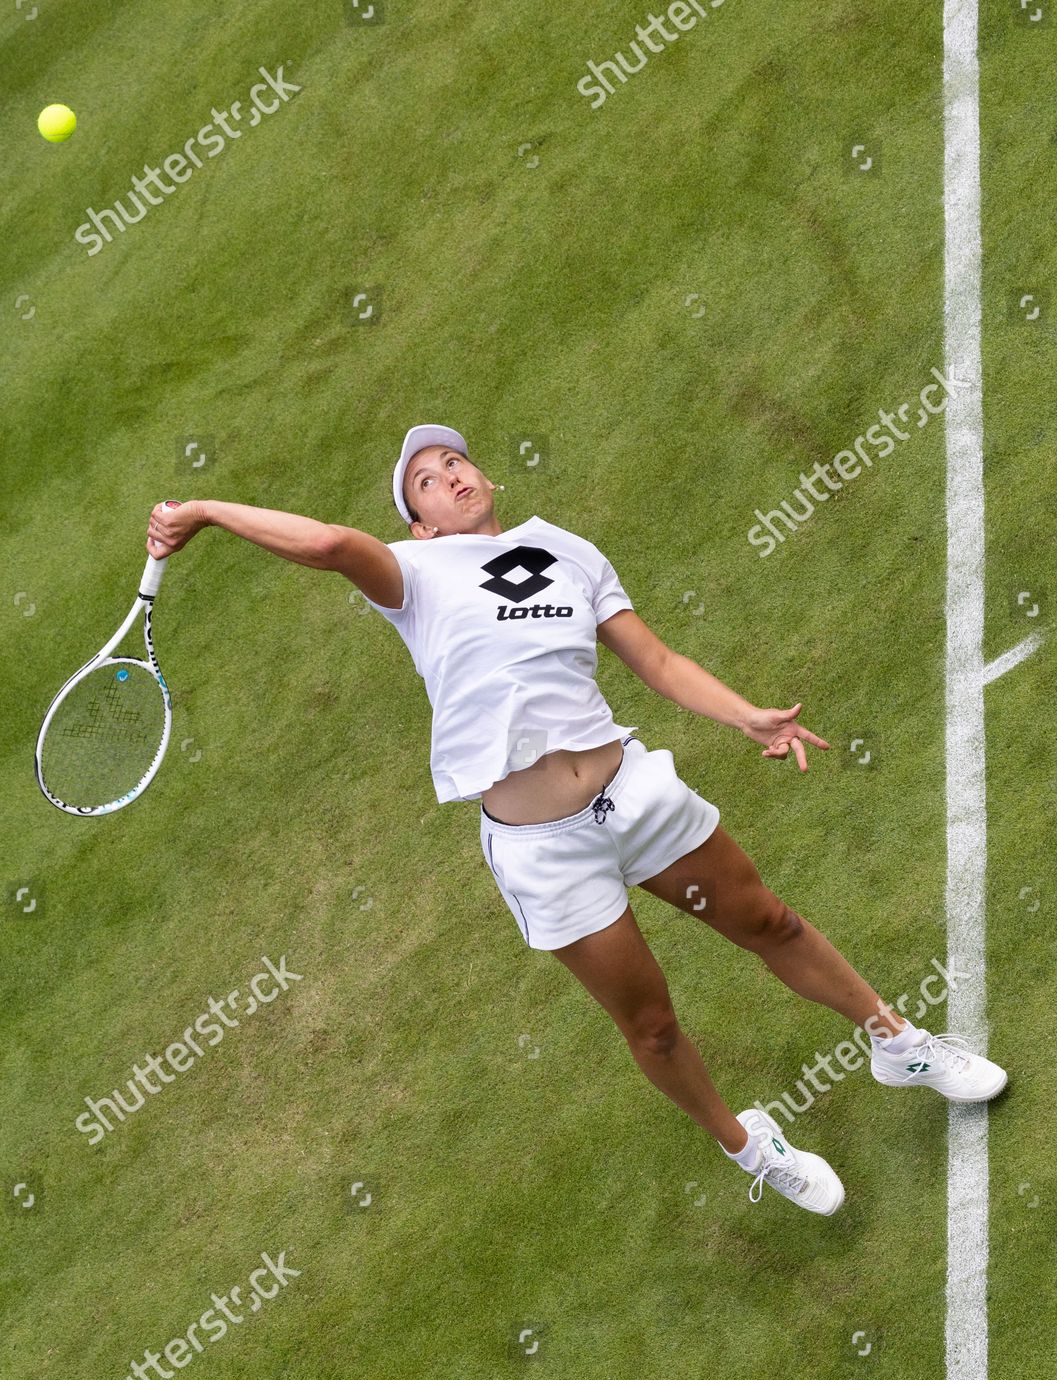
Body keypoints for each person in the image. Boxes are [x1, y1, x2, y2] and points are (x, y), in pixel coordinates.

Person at [146, 422, 1008, 1216]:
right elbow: (332, 545)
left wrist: (744, 715)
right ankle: (748, 1146)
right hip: (543, 851)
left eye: (453, 460)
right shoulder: (411, 581)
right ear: (420, 527)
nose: (449, 474)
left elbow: (655, 658)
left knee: (768, 921)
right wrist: (209, 510)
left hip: (630, 792)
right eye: (425, 480)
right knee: (652, 1024)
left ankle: (895, 1043)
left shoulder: (565, 552)